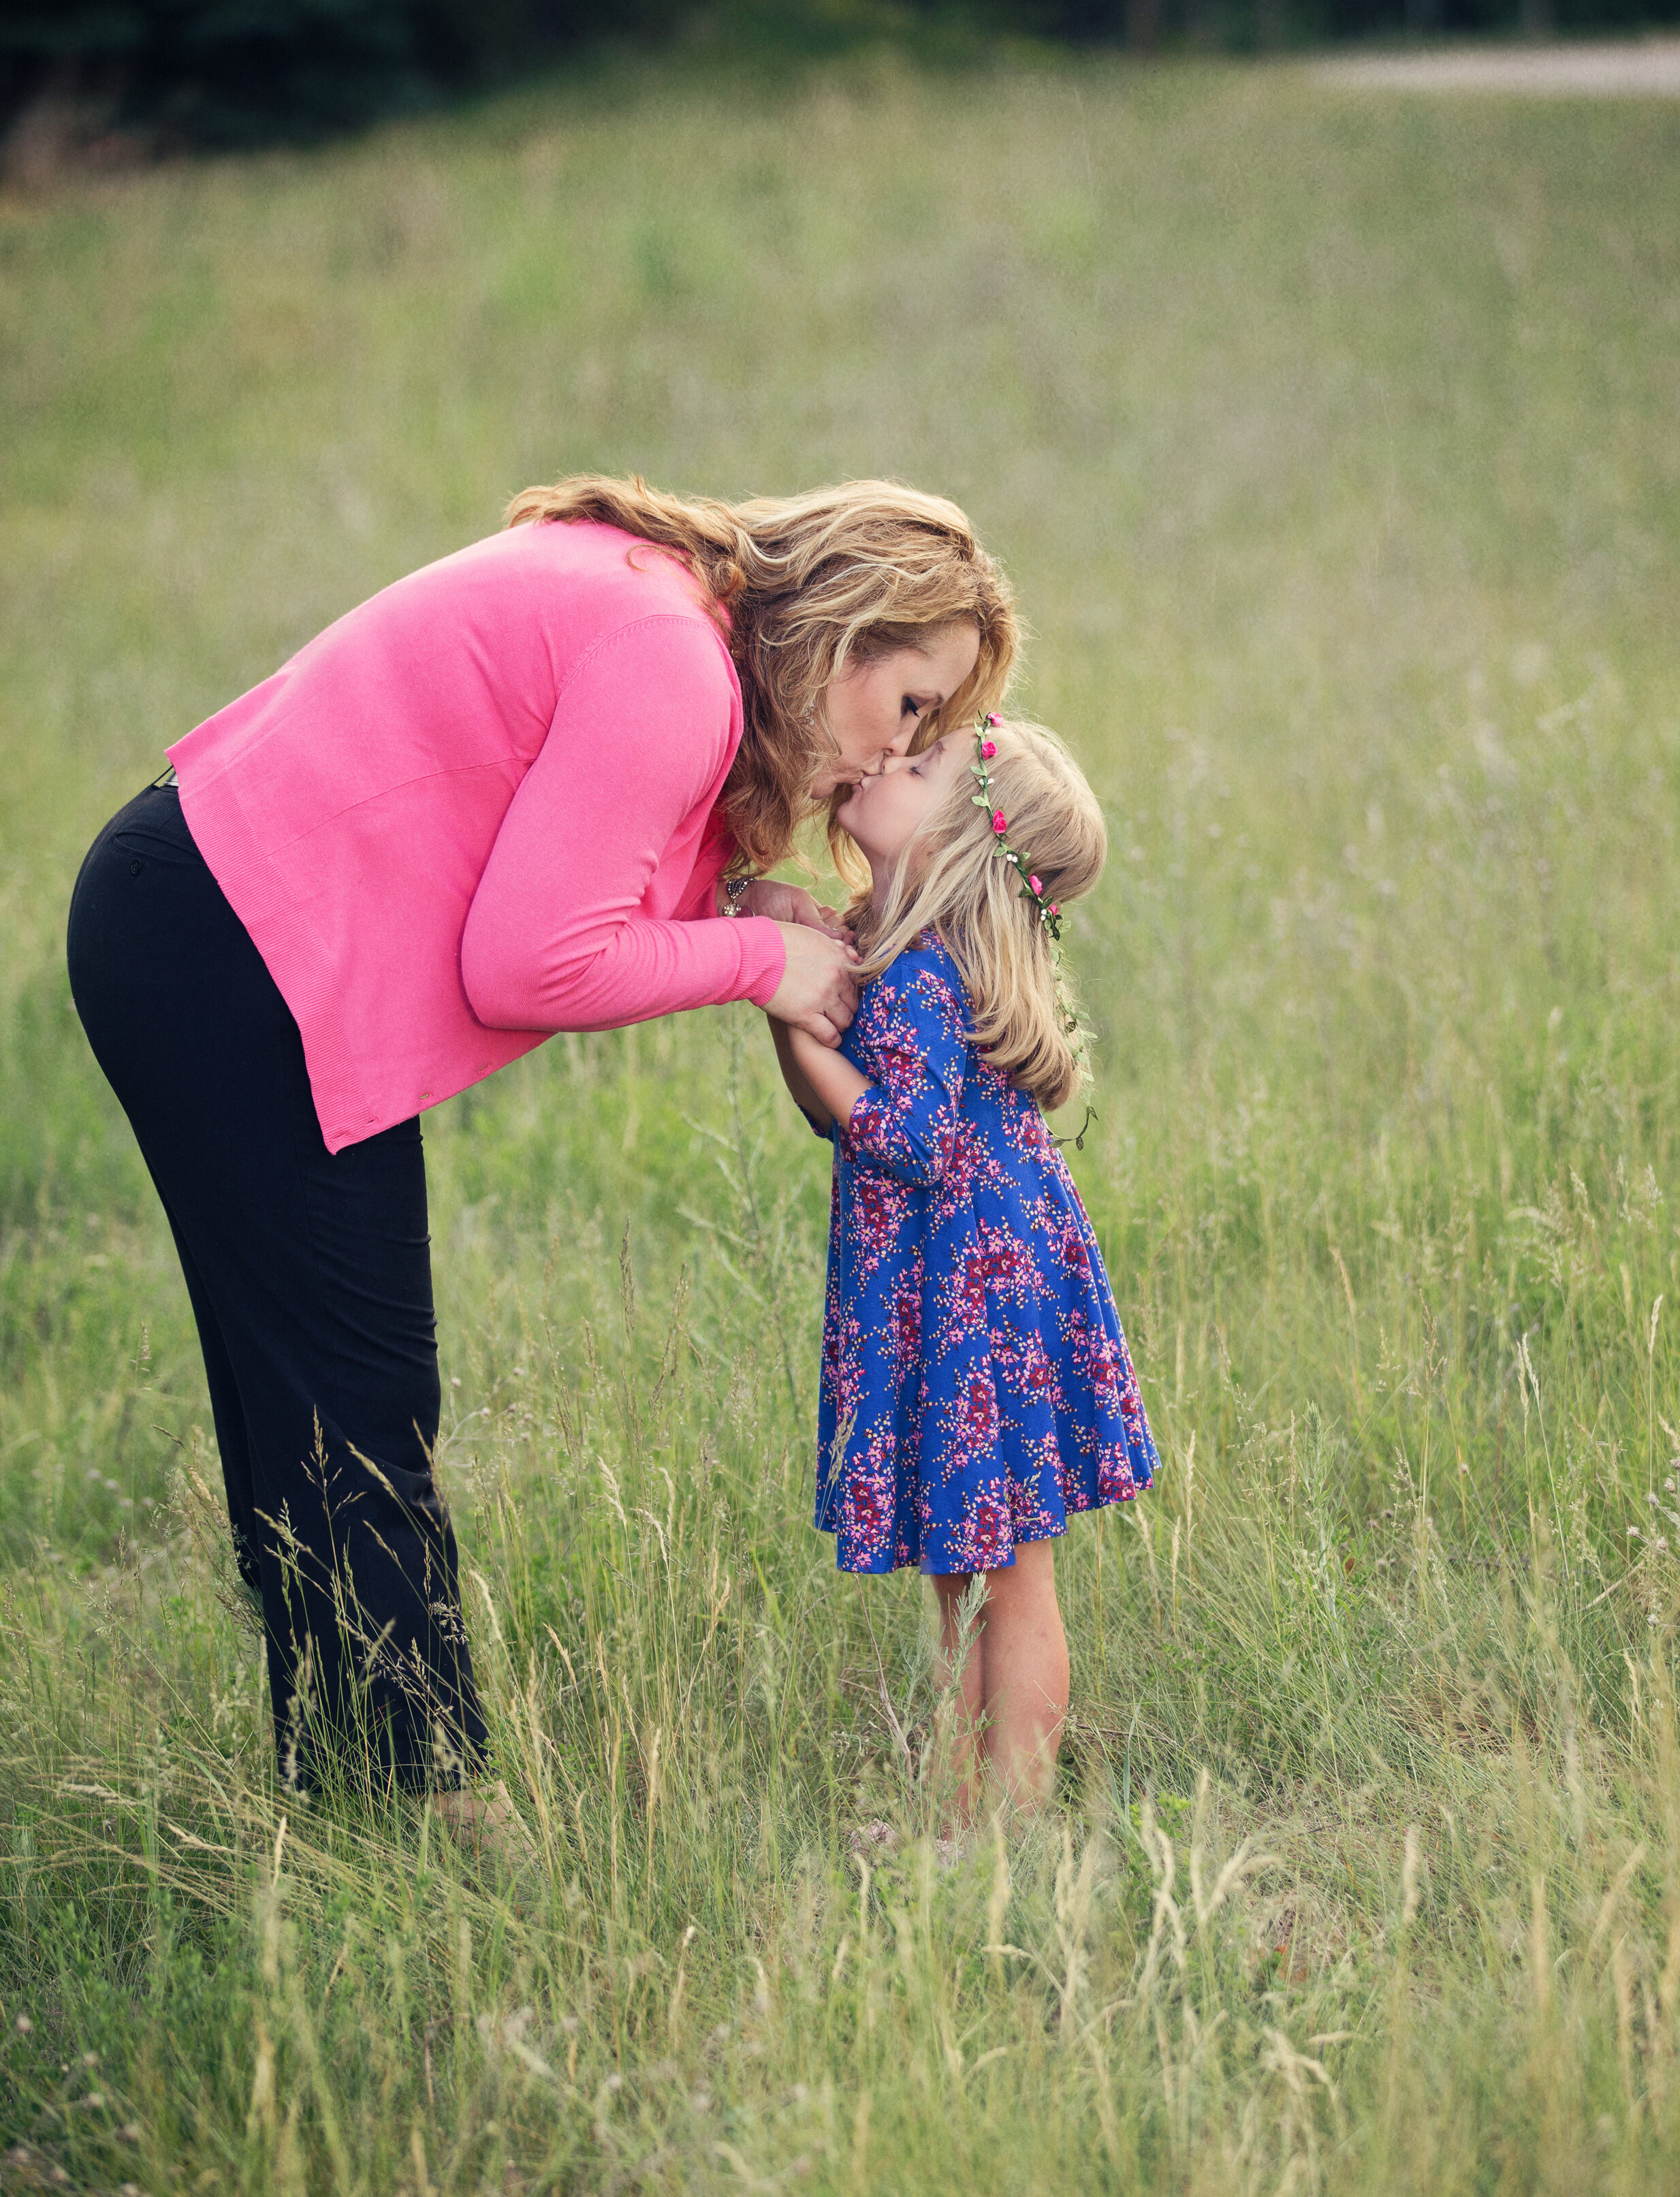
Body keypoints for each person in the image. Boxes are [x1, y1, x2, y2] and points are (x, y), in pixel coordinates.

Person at [65, 475, 1017, 1844]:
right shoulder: (673, 662)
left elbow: (550, 835)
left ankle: (347, 1800)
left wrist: (732, 899)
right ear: (846, 631)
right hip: (227, 946)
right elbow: (526, 960)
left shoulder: (670, 608)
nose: (892, 755)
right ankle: (434, 1805)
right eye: (912, 704)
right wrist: (761, 957)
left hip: (213, 927)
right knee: (358, 1392)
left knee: (313, 1399)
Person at [768, 712, 1158, 1833]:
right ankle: (959, 1820)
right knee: (963, 1572)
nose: (888, 755)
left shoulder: (931, 975)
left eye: (924, 762)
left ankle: (1007, 1822)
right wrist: (790, 994)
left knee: (1009, 1575)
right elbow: (838, 1121)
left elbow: (904, 1137)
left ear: (957, 846)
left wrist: (788, 1018)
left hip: (978, 1300)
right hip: (963, 1288)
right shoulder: (890, 946)